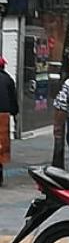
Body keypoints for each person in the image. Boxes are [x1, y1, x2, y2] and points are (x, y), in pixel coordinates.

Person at [0, 57, 18, 187]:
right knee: (1, 147)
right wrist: (14, 113)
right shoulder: (8, 79)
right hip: (3, 115)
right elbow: (13, 99)